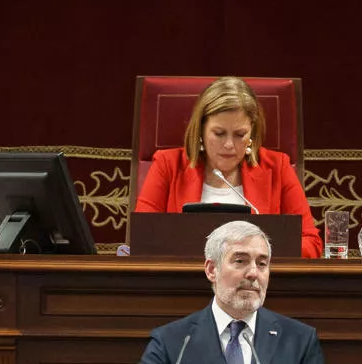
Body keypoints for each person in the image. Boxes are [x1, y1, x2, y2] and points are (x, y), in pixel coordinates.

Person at [119, 220, 331, 364]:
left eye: (262, 263)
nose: (253, 273)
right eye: (240, 261)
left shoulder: (299, 341)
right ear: (212, 270)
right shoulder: (172, 341)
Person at [134, 76, 323, 258]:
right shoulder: (168, 165)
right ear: (201, 130)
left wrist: (259, 256)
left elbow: (311, 242)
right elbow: (141, 239)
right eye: (219, 133)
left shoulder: (278, 168)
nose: (229, 145)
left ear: (252, 133)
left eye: (240, 134)